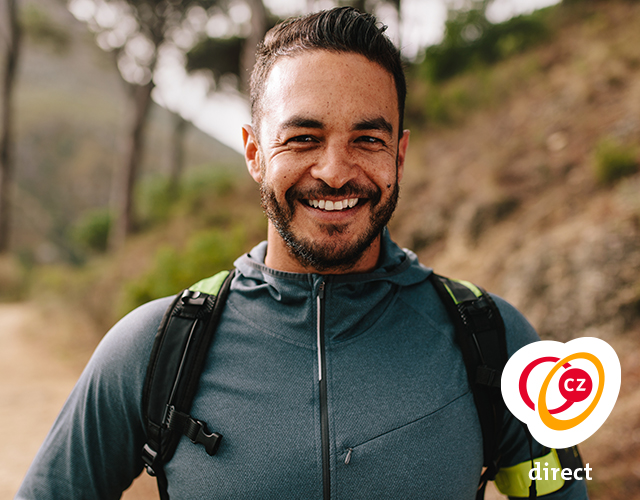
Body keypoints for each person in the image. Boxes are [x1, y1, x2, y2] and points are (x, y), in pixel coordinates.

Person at [17, 7, 589, 500]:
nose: (336, 172)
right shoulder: (153, 349)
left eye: (368, 139)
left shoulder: (499, 342)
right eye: (302, 138)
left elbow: (560, 487)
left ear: (401, 153)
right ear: (254, 152)